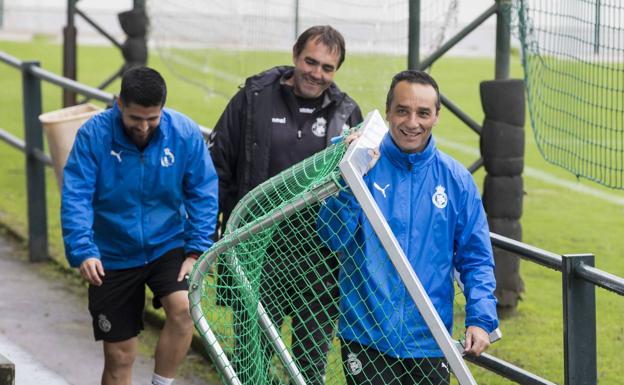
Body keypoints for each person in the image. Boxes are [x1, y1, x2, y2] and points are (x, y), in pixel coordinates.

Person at [318, 70, 499, 385]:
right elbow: (332, 238)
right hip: (367, 335)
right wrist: (348, 178)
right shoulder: (359, 161)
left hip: (430, 340)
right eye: (402, 110)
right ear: (388, 111)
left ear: (437, 117)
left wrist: (481, 319)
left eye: (423, 113)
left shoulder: (456, 180)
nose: (412, 122)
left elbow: (476, 258)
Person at [210, 25, 363, 384]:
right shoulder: (253, 98)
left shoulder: (346, 113)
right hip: (258, 256)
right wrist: (207, 240)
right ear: (295, 55)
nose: (317, 73)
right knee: (252, 362)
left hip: (319, 263)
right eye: (311, 62)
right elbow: (217, 169)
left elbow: (358, 192)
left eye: (328, 67)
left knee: (309, 369)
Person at [61, 66, 218, 385]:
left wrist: (196, 251)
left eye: (152, 118)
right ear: (119, 103)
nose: (144, 127)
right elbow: (76, 195)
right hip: (112, 253)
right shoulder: (93, 135)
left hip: (167, 246)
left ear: (162, 109)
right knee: (120, 357)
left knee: (185, 309)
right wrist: (84, 251)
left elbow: (202, 191)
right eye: (136, 118)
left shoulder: (184, 133)